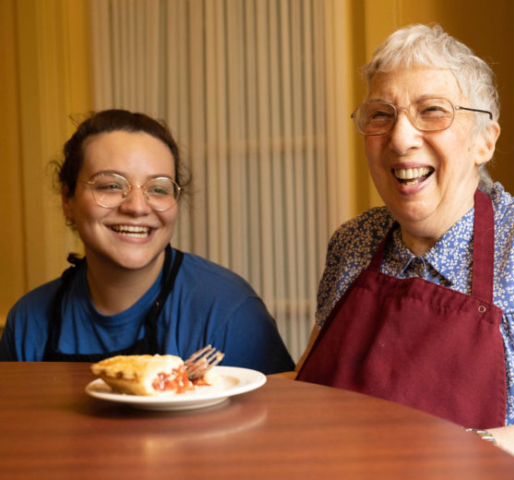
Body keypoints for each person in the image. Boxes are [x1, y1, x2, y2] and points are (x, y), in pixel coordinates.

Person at [295, 24, 514, 479]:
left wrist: (449, 452)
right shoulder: (354, 241)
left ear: (484, 140)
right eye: (380, 115)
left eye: (432, 111)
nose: (400, 138)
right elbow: (307, 395)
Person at [0, 109, 294, 374]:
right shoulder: (29, 321)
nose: (138, 207)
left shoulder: (228, 312)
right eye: (111, 185)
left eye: (158, 188)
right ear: (68, 198)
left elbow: (283, 427)